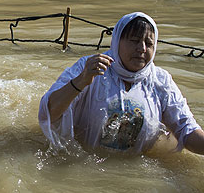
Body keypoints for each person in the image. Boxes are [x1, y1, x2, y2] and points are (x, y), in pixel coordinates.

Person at [39, 12, 204, 156]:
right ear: (117, 41)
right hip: (84, 164)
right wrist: (81, 81)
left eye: (149, 43)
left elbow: (186, 130)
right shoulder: (89, 67)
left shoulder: (160, 81)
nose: (142, 48)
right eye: (134, 40)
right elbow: (49, 112)